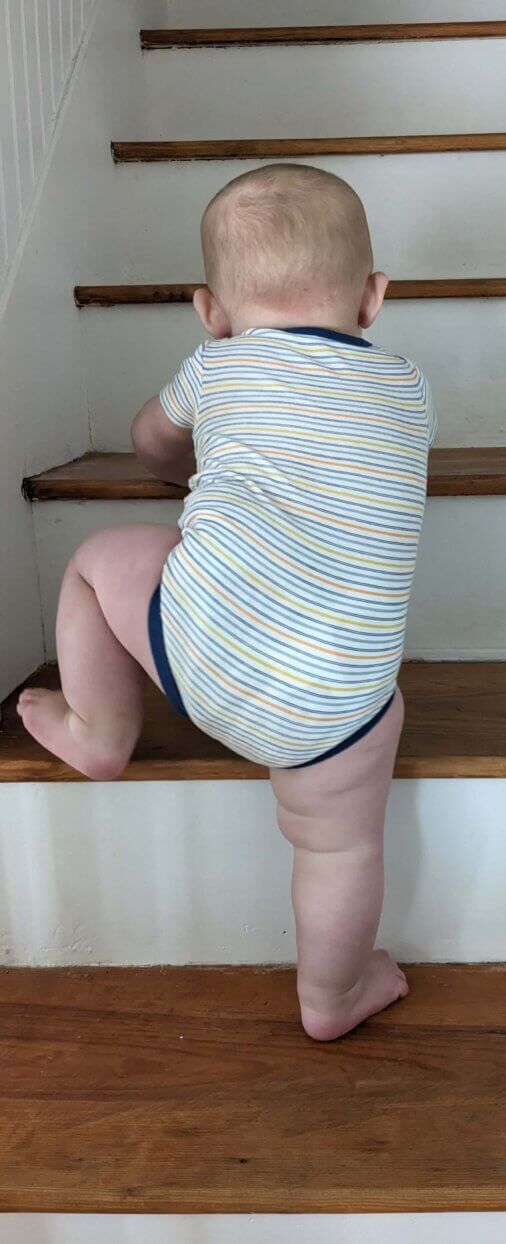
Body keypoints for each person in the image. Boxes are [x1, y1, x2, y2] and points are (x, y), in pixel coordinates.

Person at [19, 163, 435, 1039]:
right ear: (373, 298)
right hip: (340, 700)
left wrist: (180, 466)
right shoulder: (408, 388)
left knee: (99, 558)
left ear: (210, 308)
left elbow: (149, 443)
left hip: (201, 650)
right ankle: (334, 997)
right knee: (342, 846)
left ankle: (101, 731)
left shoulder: (215, 365)